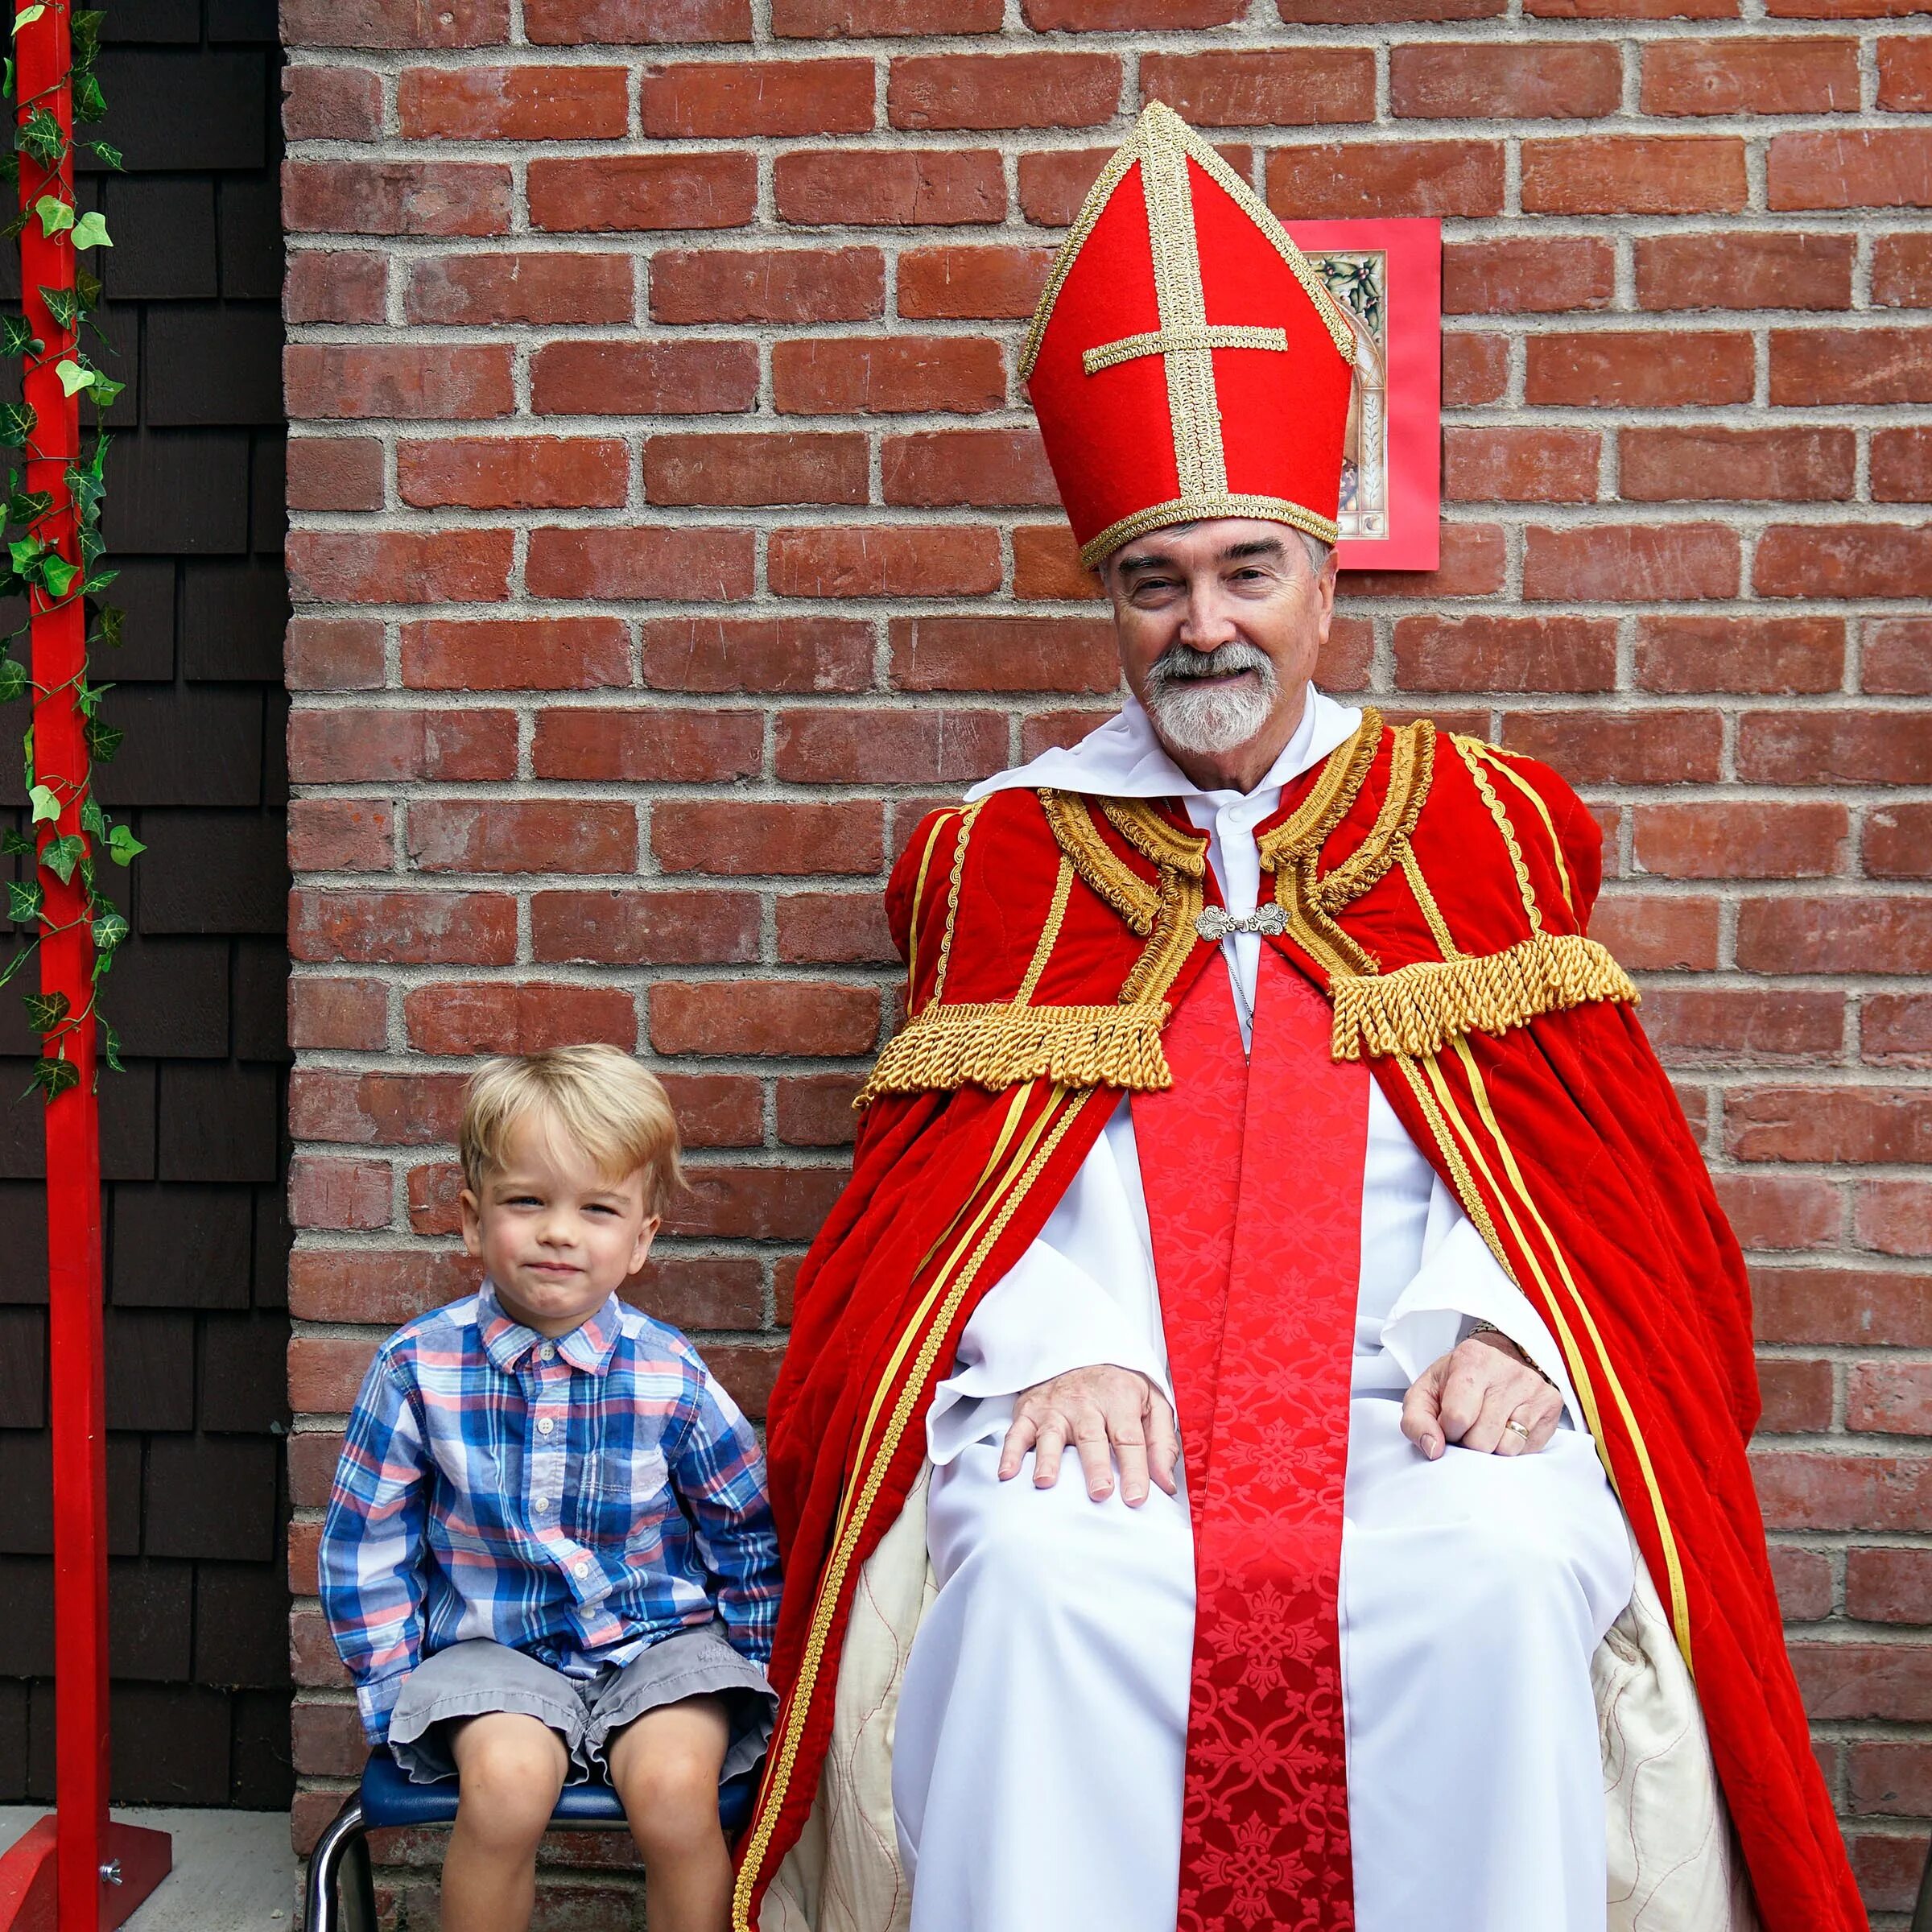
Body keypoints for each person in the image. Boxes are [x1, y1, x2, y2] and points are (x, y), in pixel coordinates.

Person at [737, 103, 1864, 1932]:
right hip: (1107, 1406)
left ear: (1322, 582)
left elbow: (1592, 1183)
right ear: (1104, 595)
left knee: (1498, 1568)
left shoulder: (1476, 825)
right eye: (1152, 577)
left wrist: (1510, 1329)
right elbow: (933, 1220)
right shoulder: (998, 854)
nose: (1202, 624)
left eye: (1242, 570)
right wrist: (1044, 1344)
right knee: (1025, 1578)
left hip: (1408, 1402)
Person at [320, 1045, 782, 1932]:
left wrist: (757, 1667)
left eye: (597, 1208)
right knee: (505, 1788)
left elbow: (744, 1533)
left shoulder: (669, 1375)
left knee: (677, 1792)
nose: (559, 1231)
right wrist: (390, 1692)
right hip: (492, 1652)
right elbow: (364, 1546)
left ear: (642, 1238)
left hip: (660, 1645)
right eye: (526, 1201)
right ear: (471, 1219)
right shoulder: (418, 1369)